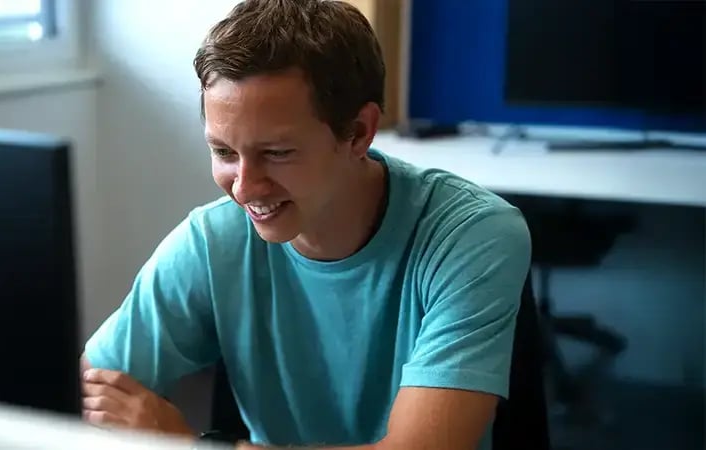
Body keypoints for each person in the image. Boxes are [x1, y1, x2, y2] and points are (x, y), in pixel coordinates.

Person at [79, 1, 531, 449]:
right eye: (224, 153)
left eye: (276, 153)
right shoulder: (212, 242)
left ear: (358, 132)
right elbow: (88, 390)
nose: (244, 188)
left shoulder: (474, 236)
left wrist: (194, 446)